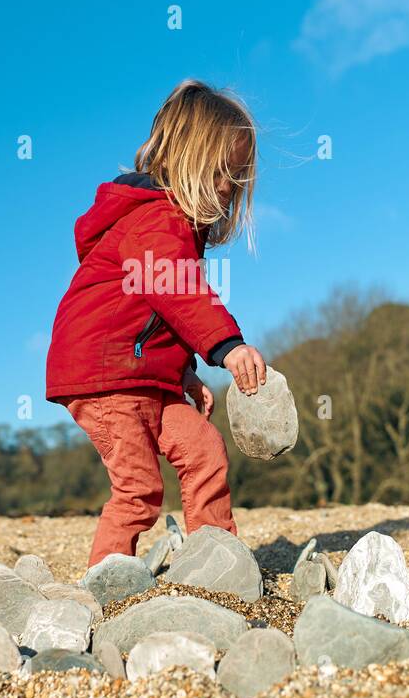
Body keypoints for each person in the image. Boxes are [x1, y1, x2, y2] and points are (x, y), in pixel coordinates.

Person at [45, 79, 268, 567]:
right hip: (107, 378)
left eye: (236, 176)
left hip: (145, 376)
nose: (229, 187)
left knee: (205, 449)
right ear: (187, 159)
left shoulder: (172, 227)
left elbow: (158, 316)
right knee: (139, 488)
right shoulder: (155, 219)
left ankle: (217, 561)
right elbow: (179, 293)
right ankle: (105, 585)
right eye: (221, 172)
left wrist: (184, 372)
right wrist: (226, 346)